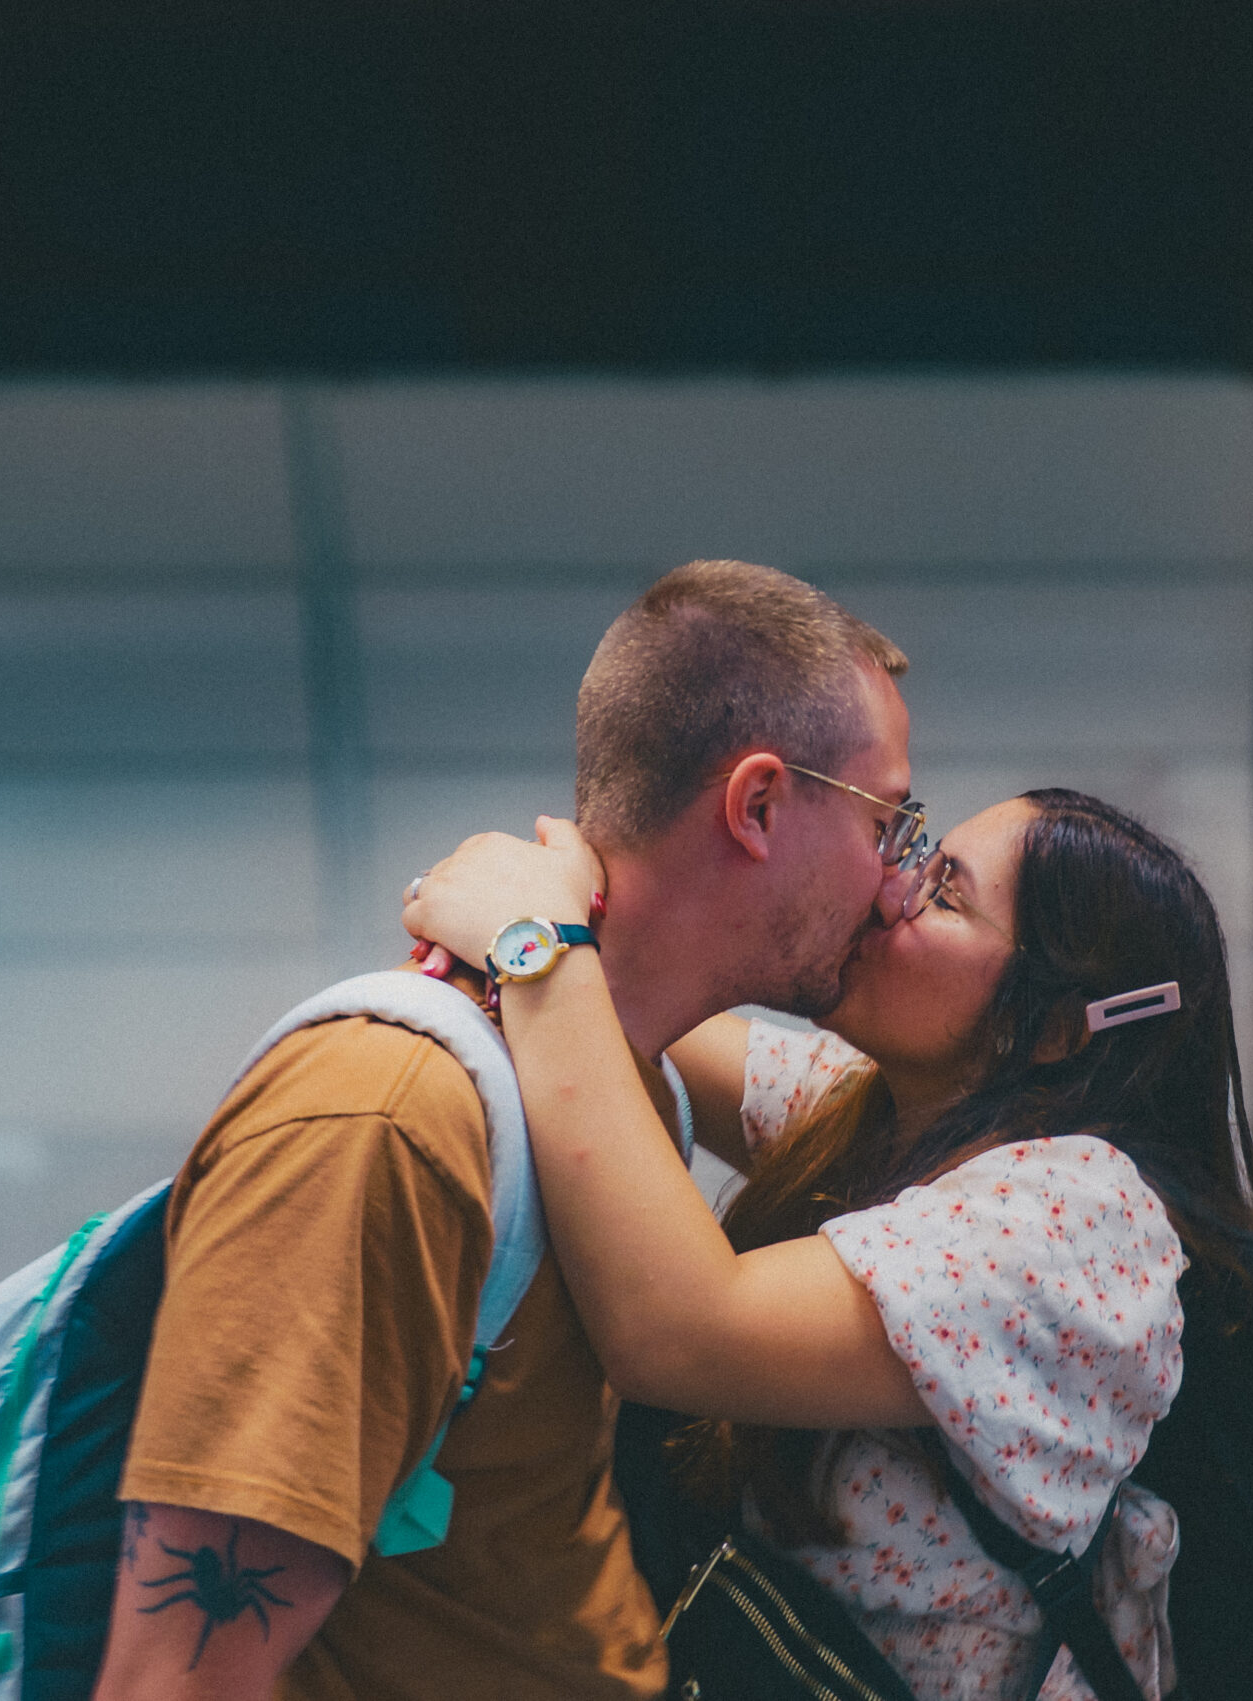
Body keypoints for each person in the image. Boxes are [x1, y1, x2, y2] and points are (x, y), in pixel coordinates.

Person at [89, 560, 923, 1701]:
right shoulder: (387, 1118)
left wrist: (543, 951)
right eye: (890, 818)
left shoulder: (623, 1090)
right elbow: (171, 1683)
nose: (895, 881)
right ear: (760, 805)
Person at [400, 788, 1253, 1701]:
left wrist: (533, 940)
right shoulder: (902, 1116)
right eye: (915, 850)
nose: (887, 885)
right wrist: (581, 891)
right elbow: (644, 1006)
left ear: (1058, 1028)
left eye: (943, 893)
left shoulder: (1079, 1224)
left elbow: (676, 1329)